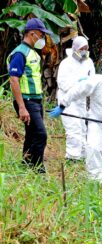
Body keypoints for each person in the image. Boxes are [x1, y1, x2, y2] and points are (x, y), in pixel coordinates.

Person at [6, 18, 53, 173]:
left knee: (32, 134)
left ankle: (26, 164)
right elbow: (14, 79)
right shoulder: (20, 53)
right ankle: (38, 169)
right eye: (41, 35)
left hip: (35, 100)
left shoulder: (32, 52)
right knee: (41, 134)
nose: (43, 39)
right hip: (26, 101)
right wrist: (21, 107)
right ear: (32, 34)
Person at [57, 36, 95, 161]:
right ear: (75, 49)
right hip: (67, 99)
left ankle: (83, 154)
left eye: (86, 48)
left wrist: (87, 86)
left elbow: (93, 79)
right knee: (73, 128)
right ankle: (72, 157)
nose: (84, 51)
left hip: (81, 100)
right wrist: (77, 83)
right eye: (82, 49)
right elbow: (62, 83)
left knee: (83, 127)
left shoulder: (88, 62)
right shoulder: (66, 63)